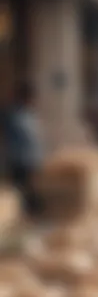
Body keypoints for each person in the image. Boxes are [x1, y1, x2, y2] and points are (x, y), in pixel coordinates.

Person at [1, 82, 44, 217]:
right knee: (21, 188)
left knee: (27, 187)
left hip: (30, 158)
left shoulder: (28, 114)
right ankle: (27, 212)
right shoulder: (14, 115)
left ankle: (30, 211)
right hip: (19, 159)